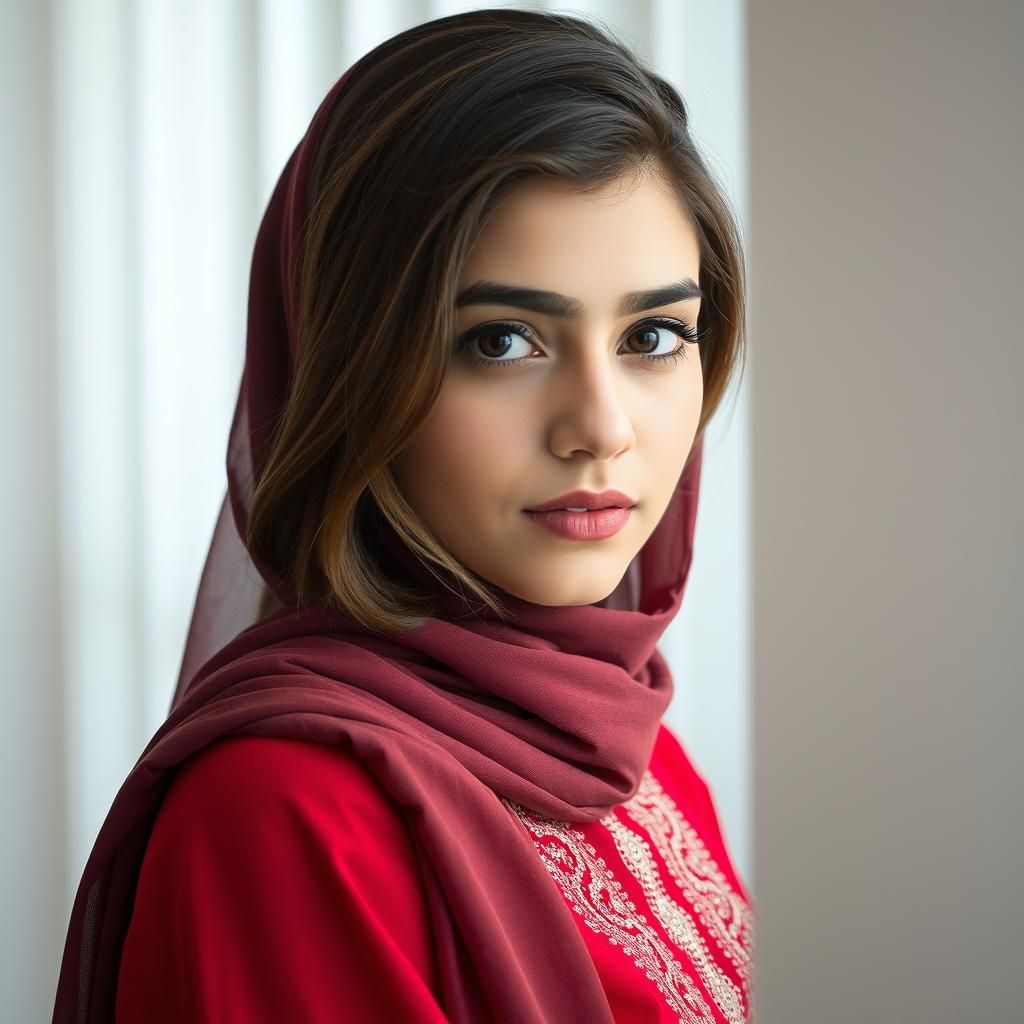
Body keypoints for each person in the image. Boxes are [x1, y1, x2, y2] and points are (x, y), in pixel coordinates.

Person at [52, 8, 752, 1022]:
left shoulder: (629, 740)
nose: (600, 427)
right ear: (351, 369)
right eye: (502, 341)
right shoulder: (282, 813)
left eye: (652, 333)